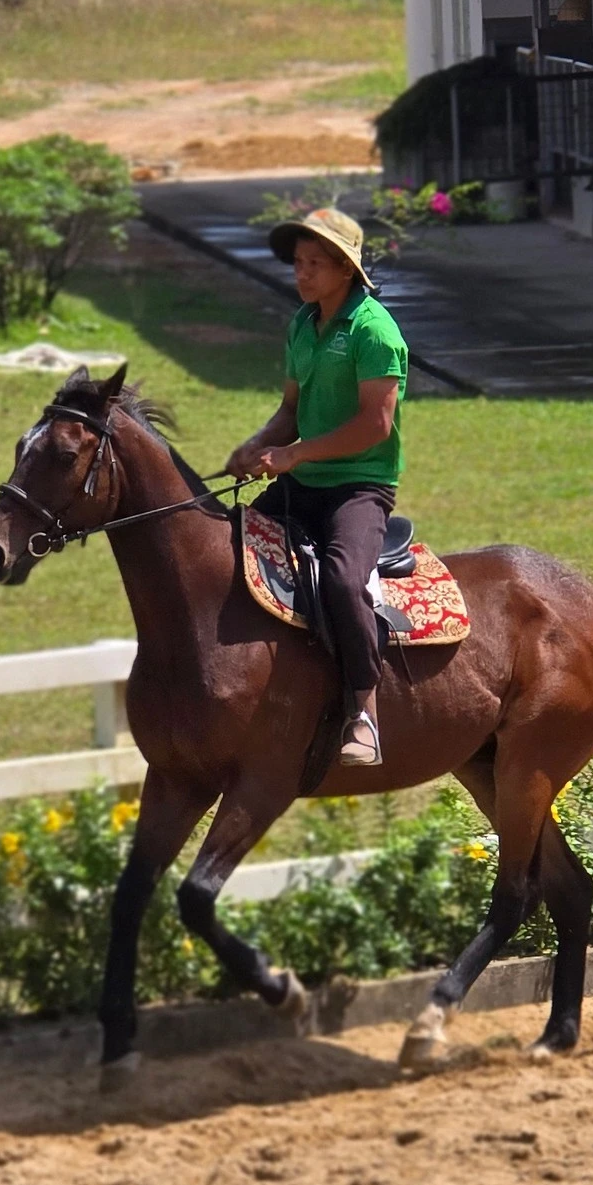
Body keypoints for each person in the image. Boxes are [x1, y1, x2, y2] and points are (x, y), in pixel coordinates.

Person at [224, 205, 410, 767]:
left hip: (359, 487)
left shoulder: (375, 330)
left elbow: (374, 425)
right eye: (298, 262)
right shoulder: (302, 325)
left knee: (340, 579)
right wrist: (255, 447)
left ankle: (364, 714)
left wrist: (294, 453)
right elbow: (291, 408)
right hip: (300, 479)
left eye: (314, 264)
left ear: (346, 269)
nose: (301, 274)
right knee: (229, 545)